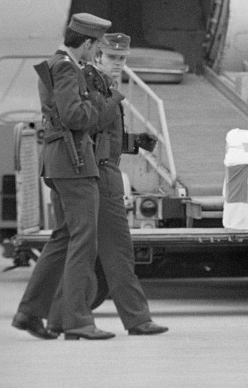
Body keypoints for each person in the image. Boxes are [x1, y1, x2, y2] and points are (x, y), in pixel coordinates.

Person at [12, 13, 125, 341]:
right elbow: (75, 115)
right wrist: (98, 104)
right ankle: (76, 320)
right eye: (95, 46)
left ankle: (30, 313)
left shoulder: (61, 64)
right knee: (84, 239)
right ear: (87, 43)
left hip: (65, 161)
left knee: (64, 238)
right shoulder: (65, 66)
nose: (95, 54)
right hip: (73, 163)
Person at [47, 32, 168, 336]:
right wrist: (112, 100)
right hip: (94, 173)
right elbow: (85, 121)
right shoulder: (89, 81)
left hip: (102, 169)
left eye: (123, 59)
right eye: (113, 58)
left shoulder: (103, 84)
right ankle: (132, 318)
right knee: (105, 250)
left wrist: (132, 142)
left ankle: (65, 319)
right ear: (97, 55)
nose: (118, 64)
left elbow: (103, 134)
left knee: (106, 250)